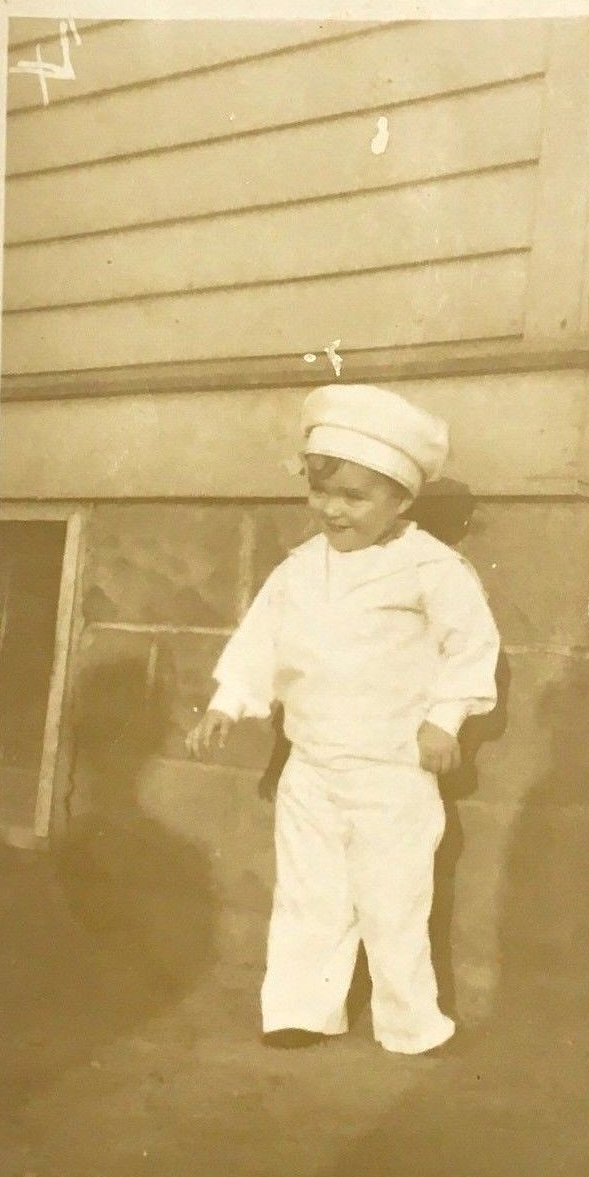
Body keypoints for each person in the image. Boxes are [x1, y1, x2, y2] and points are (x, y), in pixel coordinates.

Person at [186, 382, 500, 1055]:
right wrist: (228, 700)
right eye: (321, 491)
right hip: (311, 766)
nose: (332, 509)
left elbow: (470, 647)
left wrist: (445, 718)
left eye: (355, 496)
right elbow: (260, 642)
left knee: (392, 900)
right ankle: (302, 1007)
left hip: (390, 768)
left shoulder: (431, 568)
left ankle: (410, 1022)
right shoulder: (299, 569)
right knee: (307, 893)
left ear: (401, 501)